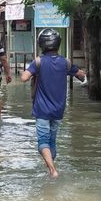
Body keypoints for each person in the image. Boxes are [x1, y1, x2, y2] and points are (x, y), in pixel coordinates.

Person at [20, 28, 85, 178]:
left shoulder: (38, 62)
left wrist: (32, 71)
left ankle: (53, 171)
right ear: (58, 44)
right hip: (58, 110)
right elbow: (81, 75)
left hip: (42, 109)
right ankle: (50, 169)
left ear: (42, 44)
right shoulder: (65, 62)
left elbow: (24, 78)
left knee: (43, 142)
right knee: (52, 141)